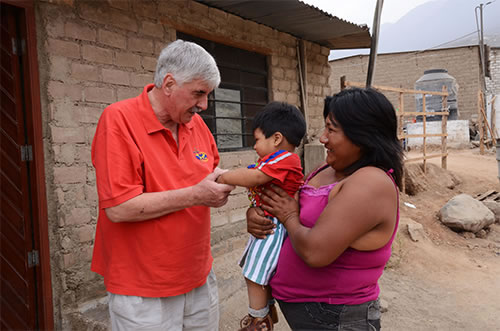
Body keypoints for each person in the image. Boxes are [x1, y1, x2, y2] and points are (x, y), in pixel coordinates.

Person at [91, 39, 235, 330]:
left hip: (198, 276)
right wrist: (197, 194)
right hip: (144, 289)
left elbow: (211, 173)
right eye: (199, 93)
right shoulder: (119, 120)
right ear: (168, 83)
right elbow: (120, 208)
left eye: (208, 95)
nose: (205, 105)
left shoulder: (196, 125)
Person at [247, 87, 404, 330]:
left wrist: (287, 215)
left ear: (362, 135)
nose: (322, 138)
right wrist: (258, 214)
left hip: (337, 316)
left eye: (331, 129)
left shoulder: (371, 182)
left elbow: (315, 252)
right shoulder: (326, 169)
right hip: (313, 313)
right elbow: (286, 202)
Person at [216, 102, 306, 331]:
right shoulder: (273, 160)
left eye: (257, 140)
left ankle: (258, 321)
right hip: (269, 220)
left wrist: (223, 177)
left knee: (255, 273)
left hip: (275, 224)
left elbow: (255, 178)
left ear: (276, 138)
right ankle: (264, 312)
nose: (254, 146)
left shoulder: (284, 158)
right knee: (256, 269)